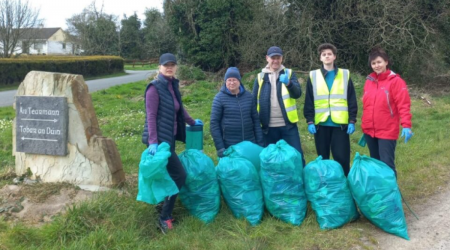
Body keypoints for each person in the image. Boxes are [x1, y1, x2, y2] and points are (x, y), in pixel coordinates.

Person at [141, 53, 203, 234]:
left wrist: (191, 122)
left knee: (167, 175)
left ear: (176, 67)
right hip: (159, 144)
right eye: (166, 65)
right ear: (159, 67)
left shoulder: (171, 85)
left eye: (172, 65)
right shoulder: (154, 88)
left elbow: (179, 109)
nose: (169, 67)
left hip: (168, 141)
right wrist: (153, 142)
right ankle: (164, 217)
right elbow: (151, 116)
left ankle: (161, 207)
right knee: (179, 175)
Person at [303, 43, 358, 176]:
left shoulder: (344, 74)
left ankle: (344, 186)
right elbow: (309, 100)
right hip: (320, 124)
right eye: (324, 54)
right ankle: (326, 186)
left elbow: (351, 98)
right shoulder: (313, 75)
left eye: (329, 54)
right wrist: (310, 121)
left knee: (342, 158)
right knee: (323, 158)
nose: (327, 56)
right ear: (320, 58)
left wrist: (352, 120)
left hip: (340, 125)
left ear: (334, 57)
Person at [361, 47, 413, 177]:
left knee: (387, 164)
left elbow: (403, 105)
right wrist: (366, 126)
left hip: (387, 130)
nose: (376, 65)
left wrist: (406, 125)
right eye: (373, 63)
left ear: (386, 62)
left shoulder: (396, 82)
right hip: (370, 131)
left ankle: (392, 196)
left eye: (379, 62)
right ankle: (381, 194)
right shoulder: (369, 81)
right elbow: (367, 106)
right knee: (375, 164)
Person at [252, 46, 305, 166]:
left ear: (282, 59)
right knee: (271, 159)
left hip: (288, 125)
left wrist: (289, 83)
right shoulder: (260, 77)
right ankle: (273, 183)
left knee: (297, 157)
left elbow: (297, 94)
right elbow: (254, 100)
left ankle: (301, 181)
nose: (275, 61)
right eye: (273, 58)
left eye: (278, 58)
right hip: (268, 126)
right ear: (267, 58)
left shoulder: (289, 73)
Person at [210, 67, 264, 157]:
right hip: (230, 146)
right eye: (229, 80)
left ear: (239, 81)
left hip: (249, 144)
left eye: (234, 80)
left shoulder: (248, 97)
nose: (231, 83)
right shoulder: (219, 98)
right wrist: (220, 147)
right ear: (225, 81)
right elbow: (214, 124)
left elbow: (256, 121)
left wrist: (260, 143)